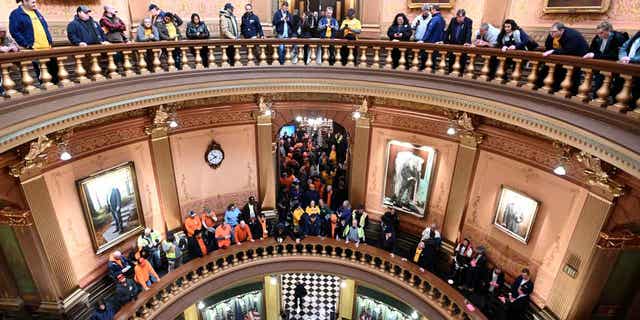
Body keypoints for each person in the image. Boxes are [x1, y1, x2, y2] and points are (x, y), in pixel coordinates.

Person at [9, 0, 58, 84]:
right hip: (34, 51)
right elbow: (14, 31)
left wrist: (49, 41)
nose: (35, 3)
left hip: (48, 49)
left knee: (54, 74)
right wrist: (26, 44)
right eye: (33, 2)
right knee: (42, 77)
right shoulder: (16, 14)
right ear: (24, 1)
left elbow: (45, 27)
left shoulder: (36, 12)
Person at [584, 22, 629, 98]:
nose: (599, 35)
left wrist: (595, 55)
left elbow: (614, 55)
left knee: (603, 81)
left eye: (601, 33)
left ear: (609, 30)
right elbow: (591, 49)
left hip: (615, 66)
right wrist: (591, 54)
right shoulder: (598, 37)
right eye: (598, 33)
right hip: (601, 65)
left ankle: (600, 98)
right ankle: (596, 98)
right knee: (598, 80)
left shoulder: (618, 38)